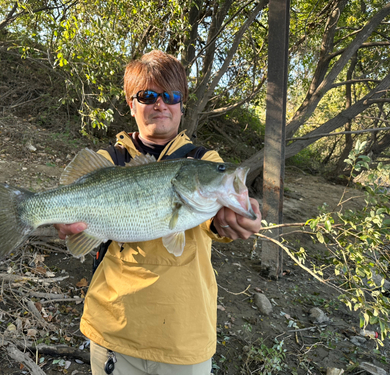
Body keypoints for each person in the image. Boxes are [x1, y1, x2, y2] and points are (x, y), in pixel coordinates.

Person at [54, 50, 262, 375]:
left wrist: (233, 218)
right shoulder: (111, 159)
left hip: (184, 343)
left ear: (182, 104)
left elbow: (214, 221)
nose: (160, 104)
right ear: (131, 103)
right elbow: (76, 203)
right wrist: (60, 215)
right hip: (114, 332)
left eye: (171, 96)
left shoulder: (203, 160)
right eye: (148, 95)